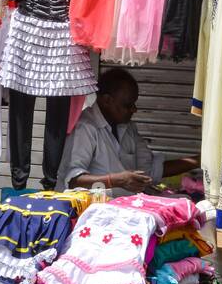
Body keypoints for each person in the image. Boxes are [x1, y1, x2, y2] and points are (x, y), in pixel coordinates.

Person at [57, 68, 199, 193]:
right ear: (107, 101)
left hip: (122, 207)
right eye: (128, 105)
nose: (134, 109)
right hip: (91, 210)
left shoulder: (128, 127)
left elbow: (149, 170)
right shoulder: (86, 127)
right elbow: (73, 180)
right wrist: (117, 180)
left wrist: (200, 161)